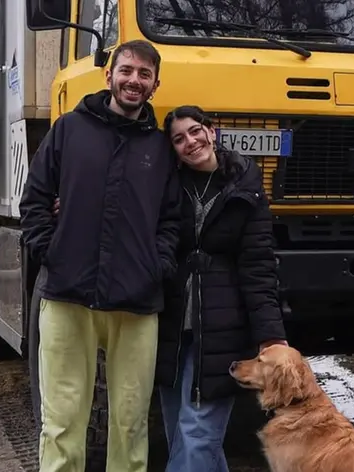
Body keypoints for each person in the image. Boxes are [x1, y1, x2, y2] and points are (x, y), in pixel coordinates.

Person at [18, 39, 181, 472]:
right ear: (108, 75)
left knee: (129, 428)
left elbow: (171, 221)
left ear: (155, 84)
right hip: (68, 296)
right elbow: (34, 201)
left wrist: (156, 267)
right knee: (62, 423)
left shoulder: (161, 148)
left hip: (137, 303)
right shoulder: (69, 130)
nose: (134, 80)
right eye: (126, 70)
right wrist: (53, 253)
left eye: (144, 75)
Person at [155, 105, 288, 472]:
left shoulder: (245, 186)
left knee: (198, 435)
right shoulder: (167, 187)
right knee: (181, 434)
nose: (190, 142)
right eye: (179, 139)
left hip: (222, 328)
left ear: (211, 132)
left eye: (195, 131)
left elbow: (259, 267)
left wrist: (271, 336)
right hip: (171, 327)